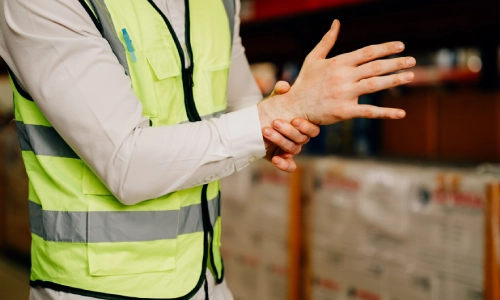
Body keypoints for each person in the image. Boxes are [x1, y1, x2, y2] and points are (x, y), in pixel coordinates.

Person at [0, 0, 415, 299]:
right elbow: (126, 164)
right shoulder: (41, 4)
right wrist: (278, 114)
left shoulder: (217, 4)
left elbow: (245, 112)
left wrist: (288, 121)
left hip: (206, 281)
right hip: (96, 291)